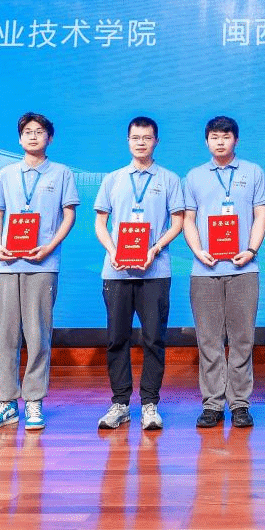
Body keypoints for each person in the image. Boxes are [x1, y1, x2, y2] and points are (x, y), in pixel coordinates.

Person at [0, 112, 79, 432]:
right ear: (19, 138)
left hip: (43, 263)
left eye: (39, 131)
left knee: (38, 333)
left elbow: (69, 215)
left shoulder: (62, 173)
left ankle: (34, 399)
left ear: (50, 137)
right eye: (27, 132)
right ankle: (6, 403)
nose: (33, 136)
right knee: (6, 333)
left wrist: (50, 246)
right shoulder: (6, 173)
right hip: (7, 263)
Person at [93, 116, 185, 432]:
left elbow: (177, 222)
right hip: (117, 271)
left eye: (147, 138)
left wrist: (154, 249)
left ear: (156, 141)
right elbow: (100, 223)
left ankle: (149, 404)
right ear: (128, 141)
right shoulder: (113, 179)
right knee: (116, 338)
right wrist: (112, 250)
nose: (141, 143)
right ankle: (120, 403)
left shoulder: (169, 179)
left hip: (154, 271)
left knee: (154, 338)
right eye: (135, 138)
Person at [182, 115, 265, 429]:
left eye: (226, 136)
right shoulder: (194, 176)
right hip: (204, 270)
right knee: (209, 340)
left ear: (236, 140)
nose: (220, 142)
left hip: (244, 268)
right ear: (207, 141)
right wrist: (198, 251)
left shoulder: (253, 172)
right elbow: (188, 219)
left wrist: (252, 250)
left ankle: (240, 404)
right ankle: (212, 404)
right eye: (215, 137)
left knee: (243, 339)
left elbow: (261, 215)